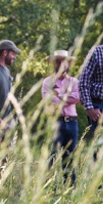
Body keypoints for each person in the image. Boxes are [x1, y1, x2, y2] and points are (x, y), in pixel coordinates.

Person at [41, 50, 81, 181]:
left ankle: (70, 189)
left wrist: (58, 94)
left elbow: (77, 97)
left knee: (69, 158)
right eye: (58, 61)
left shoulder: (74, 82)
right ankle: (47, 190)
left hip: (72, 123)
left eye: (64, 61)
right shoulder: (47, 82)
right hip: (55, 122)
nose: (61, 64)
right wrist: (66, 97)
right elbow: (48, 99)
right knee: (51, 157)